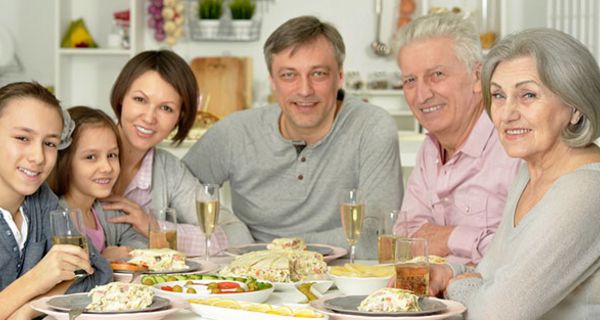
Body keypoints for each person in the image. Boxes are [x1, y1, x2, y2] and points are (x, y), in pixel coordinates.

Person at [182, 15, 403, 259]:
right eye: (289, 75)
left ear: (340, 77)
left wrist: (273, 250)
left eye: (318, 74)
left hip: (340, 280)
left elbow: (377, 236)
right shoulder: (235, 132)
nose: (305, 90)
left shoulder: (372, 127)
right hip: (249, 281)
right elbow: (176, 193)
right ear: (273, 82)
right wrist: (233, 230)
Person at [431, 28, 600, 319]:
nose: (507, 114)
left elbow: (496, 313)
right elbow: (493, 272)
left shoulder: (586, 189)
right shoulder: (530, 171)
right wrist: (449, 271)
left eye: (528, 95)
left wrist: (456, 286)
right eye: (498, 95)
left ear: (574, 107)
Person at [393, 12, 521, 264]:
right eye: (410, 80)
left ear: (477, 77)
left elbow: (522, 256)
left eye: (437, 75)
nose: (421, 95)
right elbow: (403, 238)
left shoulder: (514, 146)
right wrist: (473, 243)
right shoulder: (430, 149)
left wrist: (449, 238)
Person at [101, 50, 251, 256]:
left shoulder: (169, 170)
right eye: (140, 99)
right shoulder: (80, 149)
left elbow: (238, 236)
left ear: (179, 117)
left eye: (166, 108)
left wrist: (155, 229)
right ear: (121, 98)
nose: (149, 118)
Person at [0, 82, 111, 319]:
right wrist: (38, 279)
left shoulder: (40, 200)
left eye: (50, 143)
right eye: (22, 138)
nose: (38, 157)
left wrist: (25, 312)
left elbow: (94, 271)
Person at [50, 106, 147, 261]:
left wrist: (126, 251)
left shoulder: (107, 210)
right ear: (64, 161)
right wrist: (102, 259)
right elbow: (68, 272)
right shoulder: (54, 217)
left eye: (111, 155)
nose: (107, 167)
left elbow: (140, 240)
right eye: (91, 157)